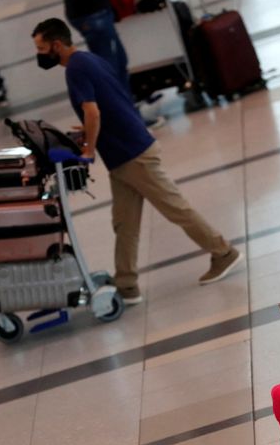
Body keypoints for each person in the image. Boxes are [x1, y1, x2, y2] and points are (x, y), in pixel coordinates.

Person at [31, 18, 242, 304]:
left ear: (56, 45)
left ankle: (224, 252)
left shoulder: (75, 70)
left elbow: (93, 112)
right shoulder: (88, 59)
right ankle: (127, 284)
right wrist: (88, 130)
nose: (40, 54)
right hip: (124, 154)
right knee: (124, 223)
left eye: (42, 48)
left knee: (176, 208)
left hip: (132, 155)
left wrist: (88, 150)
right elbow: (110, 102)